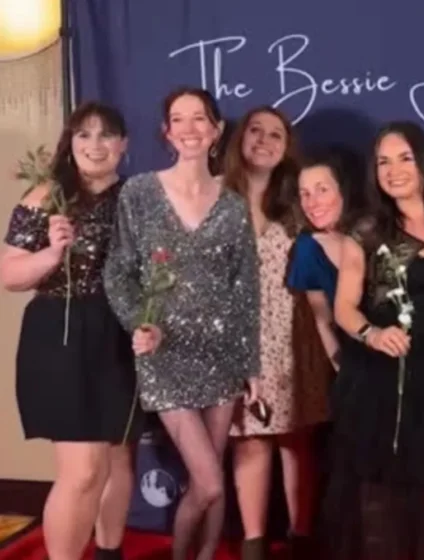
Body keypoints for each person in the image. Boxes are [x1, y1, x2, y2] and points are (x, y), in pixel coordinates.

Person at [103, 87, 261, 560]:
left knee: (207, 479)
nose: (189, 128)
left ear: (216, 131)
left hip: (222, 353)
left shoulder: (233, 204)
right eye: (179, 119)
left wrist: (250, 365)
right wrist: (138, 324)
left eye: (200, 119)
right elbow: (117, 271)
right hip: (164, 352)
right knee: (211, 483)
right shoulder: (140, 193)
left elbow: (245, 289)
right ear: (166, 132)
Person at [322, 121, 424, 560]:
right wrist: (372, 334)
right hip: (382, 380)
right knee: (381, 497)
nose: (393, 170)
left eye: (404, 158)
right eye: (382, 162)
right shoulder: (366, 229)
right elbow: (344, 308)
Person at [0, 102, 142, 560]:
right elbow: (9, 273)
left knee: (118, 455)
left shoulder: (139, 197)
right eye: (84, 135)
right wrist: (51, 254)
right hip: (58, 335)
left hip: (119, 334)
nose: (95, 145)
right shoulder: (47, 195)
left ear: (124, 145)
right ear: (71, 142)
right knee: (83, 471)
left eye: (106, 136)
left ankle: (108, 553)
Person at [224, 106, 331, 560]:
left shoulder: (298, 206)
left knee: (296, 437)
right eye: (256, 131)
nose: (264, 140)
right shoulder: (215, 202)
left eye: (276, 135)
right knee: (250, 438)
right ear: (239, 140)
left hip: (294, 337)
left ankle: (301, 535)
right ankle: (253, 544)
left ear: (287, 148)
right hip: (237, 337)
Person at [287, 148, 366, 369]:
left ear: (345, 191)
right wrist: (344, 372)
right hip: (357, 365)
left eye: (322, 190)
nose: (312, 203)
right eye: (305, 194)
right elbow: (322, 319)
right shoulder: (308, 248)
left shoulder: (377, 233)